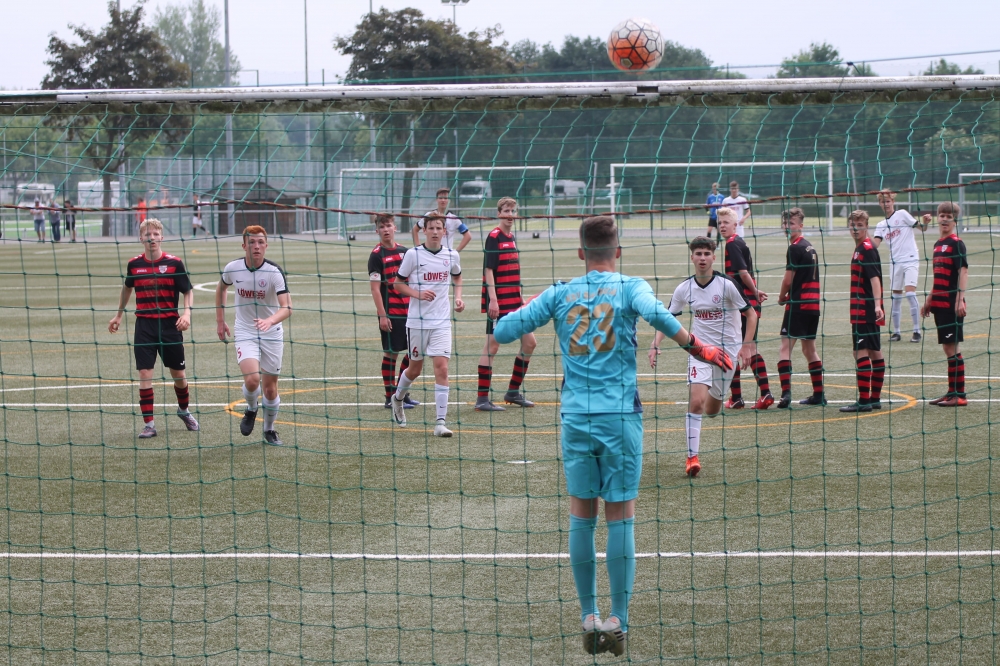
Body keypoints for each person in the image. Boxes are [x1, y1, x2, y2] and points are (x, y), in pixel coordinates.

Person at [495, 217, 733, 656]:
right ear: (617, 252)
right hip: (620, 418)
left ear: (580, 254)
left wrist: (523, 313)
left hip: (576, 418)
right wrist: (700, 348)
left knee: (581, 516)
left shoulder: (560, 292)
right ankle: (618, 618)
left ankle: (589, 614)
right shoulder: (630, 286)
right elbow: (659, 316)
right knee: (620, 516)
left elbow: (503, 331)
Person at [650, 236, 756, 476]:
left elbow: (751, 314)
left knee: (712, 410)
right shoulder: (684, 288)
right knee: (696, 402)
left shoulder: (727, 285)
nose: (702, 258)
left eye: (706, 254)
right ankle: (692, 458)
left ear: (713, 257)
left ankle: (715, 398)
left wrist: (746, 346)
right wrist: (655, 344)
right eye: (698, 254)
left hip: (727, 354)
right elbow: (667, 319)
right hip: (699, 351)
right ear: (692, 258)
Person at [108, 218, 199, 438]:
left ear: (161, 237)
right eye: (147, 235)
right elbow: (127, 288)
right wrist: (118, 315)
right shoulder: (134, 264)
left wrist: (187, 314)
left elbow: (187, 290)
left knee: (179, 375)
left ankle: (184, 410)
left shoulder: (174, 263)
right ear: (141, 238)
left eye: (156, 234)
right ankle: (149, 424)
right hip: (144, 326)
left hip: (170, 325)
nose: (152, 238)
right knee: (144, 374)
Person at [216, 225, 293, 446]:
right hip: (245, 330)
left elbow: (287, 307)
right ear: (244, 246)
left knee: (270, 389)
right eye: (251, 242)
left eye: (260, 242)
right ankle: (251, 408)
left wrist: (270, 321)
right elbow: (221, 289)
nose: (256, 246)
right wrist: (220, 320)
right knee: (252, 380)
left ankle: (269, 429)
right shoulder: (233, 268)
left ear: (266, 246)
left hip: (272, 333)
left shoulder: (274, 272)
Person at [390, 213, 464, 437]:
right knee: (415, 369)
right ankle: (397, 399)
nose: (434, 231)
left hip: (442, 322)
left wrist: (458, 297)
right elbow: (397, 284)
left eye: (438, 228)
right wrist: (418, 294)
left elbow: (457, 276)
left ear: (444, 231)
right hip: (417, 322)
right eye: (430, 228)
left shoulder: (452, 255)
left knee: (442, 368)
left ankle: (440, 423)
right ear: (424, 231)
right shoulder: (413, 254)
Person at [475, 197, 536, 411]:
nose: (510, 215)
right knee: (492, 346)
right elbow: (489, 270)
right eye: (506, 211)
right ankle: (482, 399)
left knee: (530, 343)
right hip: (499, 302)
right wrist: (493, 300)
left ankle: (512, 392)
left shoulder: (511, 237)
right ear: (499, 213)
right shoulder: (494, 237)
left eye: (513, 211)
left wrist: (520, 296)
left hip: (515, 302)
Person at [717, 207, 772, 410]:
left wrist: (754, 291)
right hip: (747, 302)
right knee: (748, 348)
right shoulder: (739, 242)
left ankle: (740, 397)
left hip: (742, 304)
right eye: (719, 223)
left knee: (735, 349)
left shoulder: (732, 244)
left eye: (726, 222)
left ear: (735, 224)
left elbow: (742, 272)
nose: (722, 226)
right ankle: (761, 394)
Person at [368, 213, 420, 410]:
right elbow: (375, 289)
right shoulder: (376, 255)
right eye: (382, 227)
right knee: (391, 353)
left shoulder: (405, 252)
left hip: (409, 311)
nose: (386, 230)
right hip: (391, 313)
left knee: (414, 353)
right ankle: (390, 397)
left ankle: (401, 393)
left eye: (389, 225)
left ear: (395, 228)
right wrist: (382, 315)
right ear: (377, 231)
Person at [776, 208, 825, 408]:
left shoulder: (795, 248)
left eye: (791, 223)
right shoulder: (809, 247)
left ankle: (785, 394)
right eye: (785, 223)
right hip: (813, 306)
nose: (787, 227)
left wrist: (781, 297)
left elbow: (788, 280)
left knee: (785, 348)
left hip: (798, 305)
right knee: (809, 349)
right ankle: (819, 395)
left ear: (801, 226)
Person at [921, 202, 968, 407]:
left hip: (951, 304)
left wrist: (959, 299)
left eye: (949, 216)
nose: (945, 219)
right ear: (937, 218)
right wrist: (929, 299)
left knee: (952, 348)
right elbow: (938, 275)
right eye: (942, 215)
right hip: (939, 304)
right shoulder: (937, 244)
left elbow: (963, 272)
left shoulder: (957, 243)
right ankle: (951, 392)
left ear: (955, 220)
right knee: (947, 349)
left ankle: (960, 395)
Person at [841, 210, 885, 413]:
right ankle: (874, 399)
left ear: (866, 226)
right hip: (864, 308)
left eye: (860, 225)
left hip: (865, 309)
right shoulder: (861, 248)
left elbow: (875, 279)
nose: (856, 228)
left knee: (860, 352)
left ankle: (864, 401)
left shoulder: (866, 248)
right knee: (875, 352)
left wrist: (876, 305)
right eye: (853, 224)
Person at [873, 189, 928, 343]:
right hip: (894, 262)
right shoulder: (881, 225)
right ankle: (896, 332)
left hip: (910, 259)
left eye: (888, 201)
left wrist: (925, 222)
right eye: (883, 202)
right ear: (879, 204)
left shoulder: (902, 214)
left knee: (910, 294)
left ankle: (916, 331)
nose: (886, 204)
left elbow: (922, 228)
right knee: (896, 298)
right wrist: (862, 237)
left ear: (893, 202)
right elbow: (874, 245)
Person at [412, 187, 471, 252]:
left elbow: (468, 236)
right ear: (437, 200)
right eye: (440, 198)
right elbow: (415, 229)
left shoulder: (454, 219)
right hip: (429, 253)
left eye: (445, 198)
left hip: (446, 254)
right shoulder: (429, 215)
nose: (443, 200)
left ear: (449, 200)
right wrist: (418, 247)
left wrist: (456, 252)